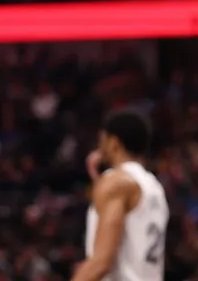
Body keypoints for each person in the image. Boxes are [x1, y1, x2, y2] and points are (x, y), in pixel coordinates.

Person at [72, 108, 169, 281]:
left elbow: (101, 263)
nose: (99, 147)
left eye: (102, 140)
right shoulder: (154, 188)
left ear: (114, 142)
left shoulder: (115, 183)